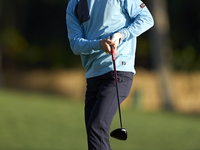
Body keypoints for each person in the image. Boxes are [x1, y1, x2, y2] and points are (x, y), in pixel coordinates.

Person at [66, 0, 154, 149]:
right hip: (92, 76)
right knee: (94, 133)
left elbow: (146, 18)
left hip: (118, 71)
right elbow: (75, 44)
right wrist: (98, 44)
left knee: (96, 128)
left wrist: (122, 34)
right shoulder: (74, 4)